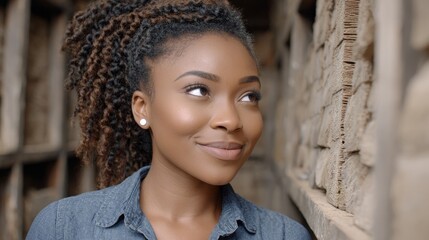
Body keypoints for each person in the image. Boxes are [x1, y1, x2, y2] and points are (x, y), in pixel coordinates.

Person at [26, 0, 311, 239]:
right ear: (142, 108)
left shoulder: (284, 235)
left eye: (249, 96)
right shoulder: (64, 228)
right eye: (199, 90)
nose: (231, 120)